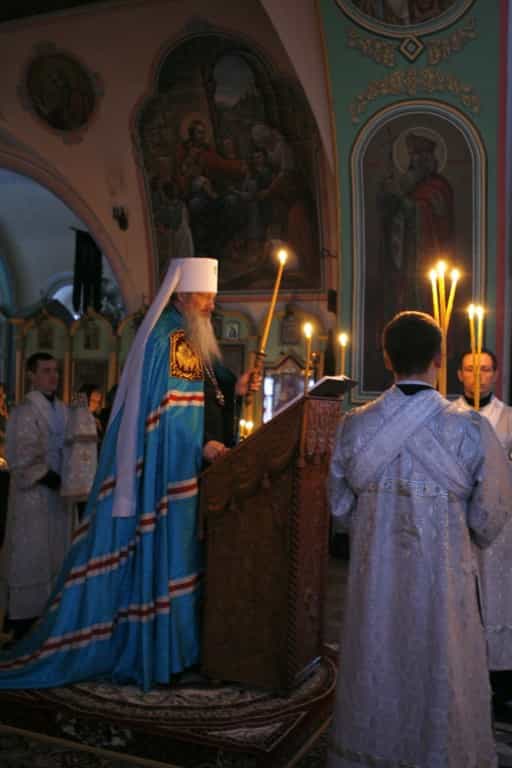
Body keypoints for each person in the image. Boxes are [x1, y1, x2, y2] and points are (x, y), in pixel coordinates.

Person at [0, 258, 260, 691]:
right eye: (206, 297)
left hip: (182, 471)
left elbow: (206, 394)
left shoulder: (186, 338)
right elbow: (173, 418)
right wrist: (202, 445)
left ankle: (175, 649)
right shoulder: (173, 339)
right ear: (181, 296)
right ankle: (168, 652)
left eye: (214, 298)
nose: (211, 306)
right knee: (171, 557)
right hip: (171, 475)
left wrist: (233, 390)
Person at [327, 311, 512, 768]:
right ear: (440, 357)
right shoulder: (469, 428)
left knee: (377, 655)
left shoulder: (355, 425)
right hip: (444, 583)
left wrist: (376, 528)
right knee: (442, 661)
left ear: (387, 358)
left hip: (376, 580)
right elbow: (490, 516)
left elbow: (339, 507)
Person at [0, 354, 72, 643]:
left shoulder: (65, 410)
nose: (53, 376)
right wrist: (49, 476)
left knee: (56, 553)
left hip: (59, 498)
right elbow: (21, 455)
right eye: (46, 371)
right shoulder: (24, 412)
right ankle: (22, 620)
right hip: (33, 498)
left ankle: (51, 618)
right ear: (31, 375)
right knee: (31, 556)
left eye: (55, 371)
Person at [456, 348, 512, 717]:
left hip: (502, 533)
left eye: (486, 369)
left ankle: (501, 685)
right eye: (471, 369)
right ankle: (460, 678)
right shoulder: (448, 417)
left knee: (499, 600)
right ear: (460, 375)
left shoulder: (508, 418)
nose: (479, 375)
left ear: (496, 375)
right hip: (457, 525)